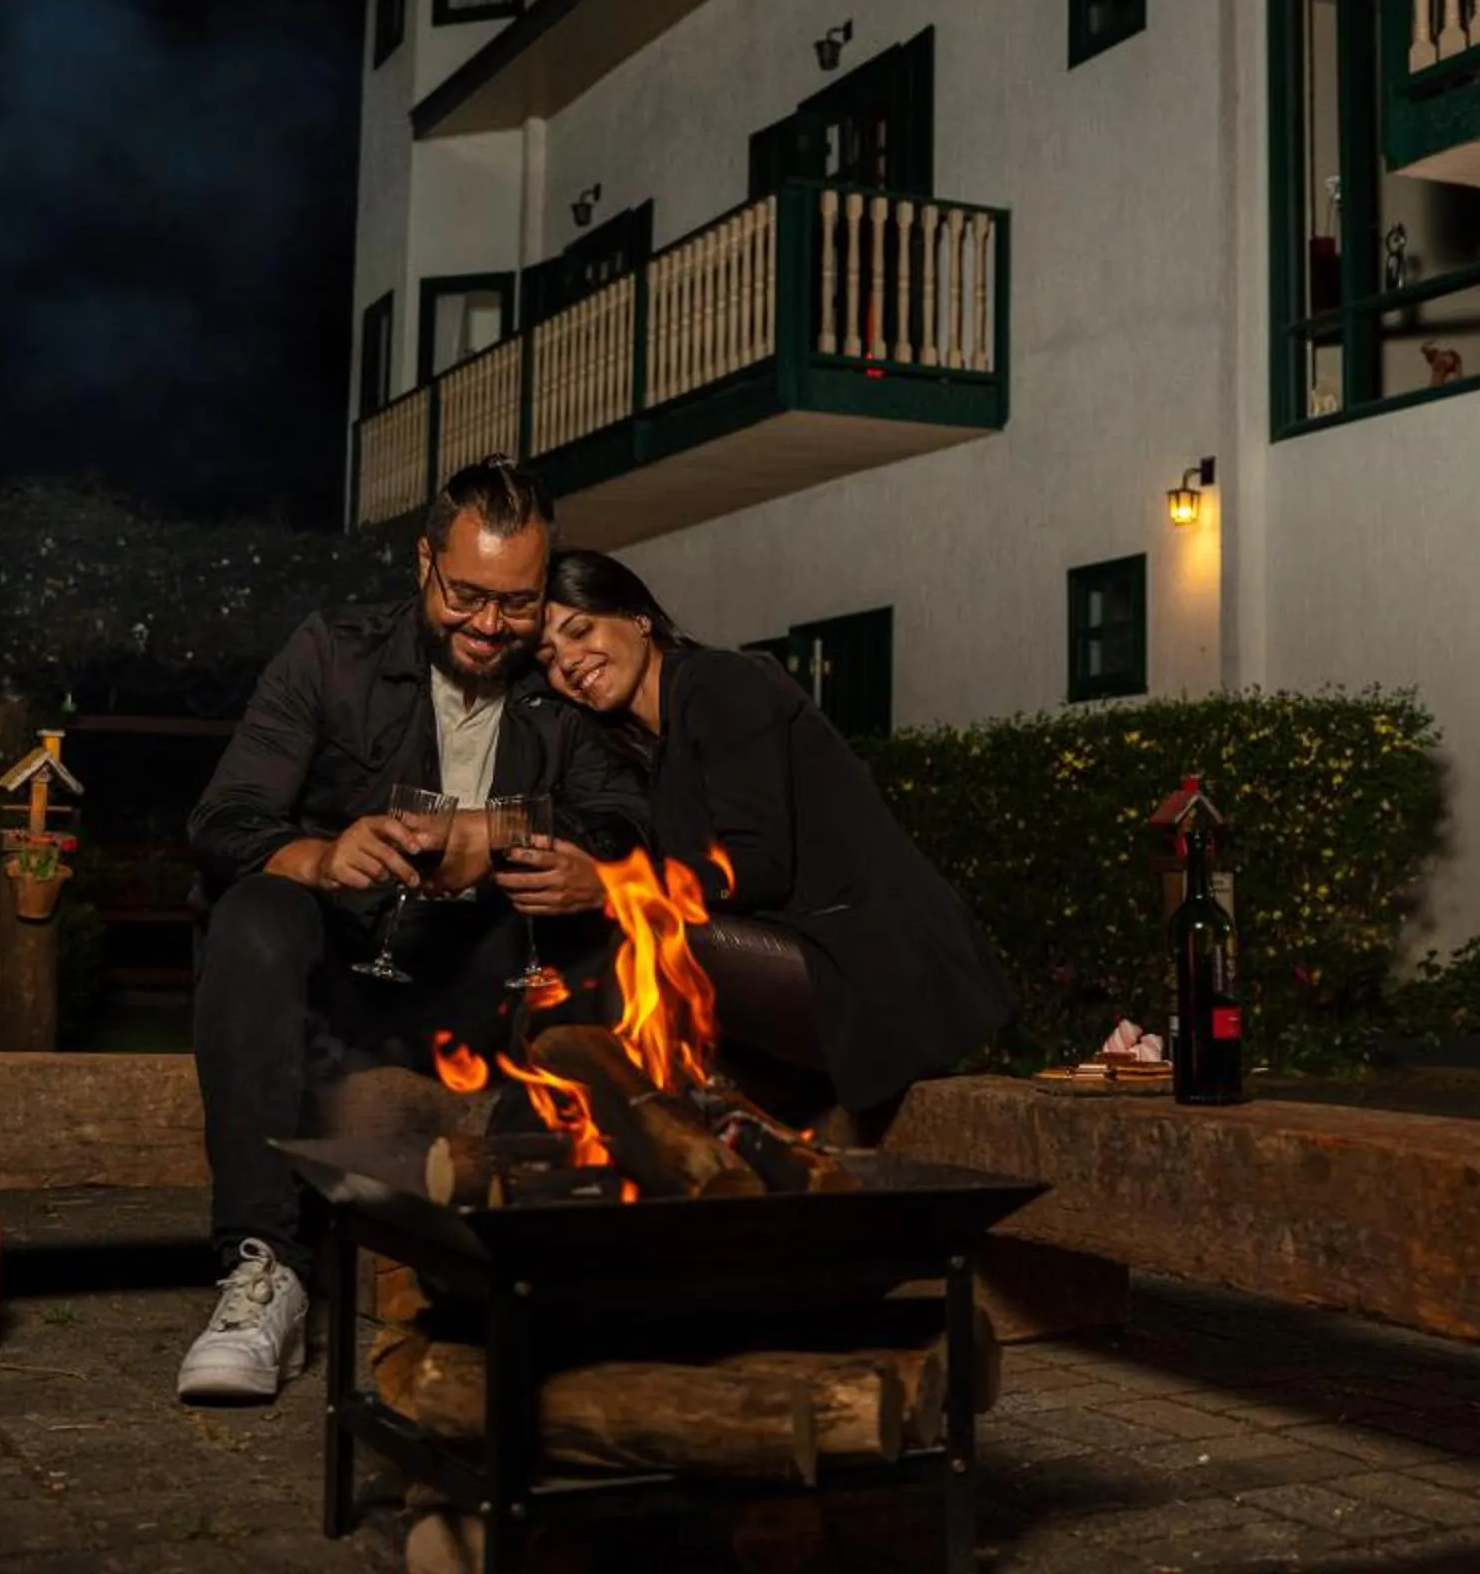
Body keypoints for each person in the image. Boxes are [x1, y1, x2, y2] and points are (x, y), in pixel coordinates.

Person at [176, 458, 647, 1404]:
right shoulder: (330, 654)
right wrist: (317, 857)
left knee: (613, 936)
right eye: (467, 594)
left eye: (515, 605)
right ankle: (266, 1270)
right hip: (346, 980)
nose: (488, 626)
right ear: (423, 562)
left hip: (489, 985)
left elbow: (630, 823)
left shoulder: (558, 688)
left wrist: (512, 835)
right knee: (256, 910)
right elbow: (222, 819)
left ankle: (532, 1265)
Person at [537, 548, 1012, 1136]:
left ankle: (650, 1149)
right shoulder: (657, 743)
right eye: (549, 657)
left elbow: (759, 867)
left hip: (879, 967)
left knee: (656, 935)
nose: (568, 663)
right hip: (811, 958)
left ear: (638, 616)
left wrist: (612, 888)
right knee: (600, 981)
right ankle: (638, 1151)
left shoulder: (720, 683)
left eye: (579, 630)